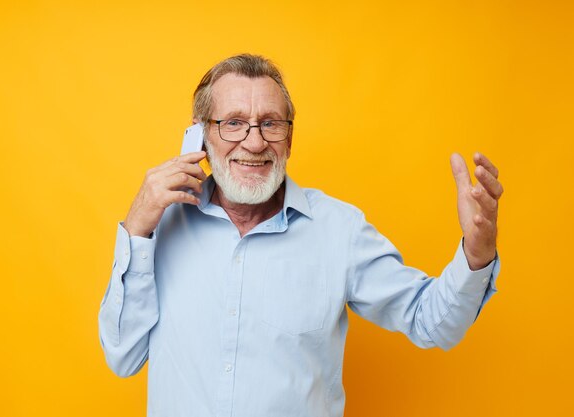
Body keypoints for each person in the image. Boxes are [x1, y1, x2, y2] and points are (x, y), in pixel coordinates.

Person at [98, 54, 503, 417]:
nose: (254, 142)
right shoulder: (161, 225)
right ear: (202, 135)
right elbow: (123, 356)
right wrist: (136, 228)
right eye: (233, 123)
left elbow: (432, 321)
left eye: (270, 124)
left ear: (289, 138)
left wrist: (476, 252)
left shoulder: (339, 230)